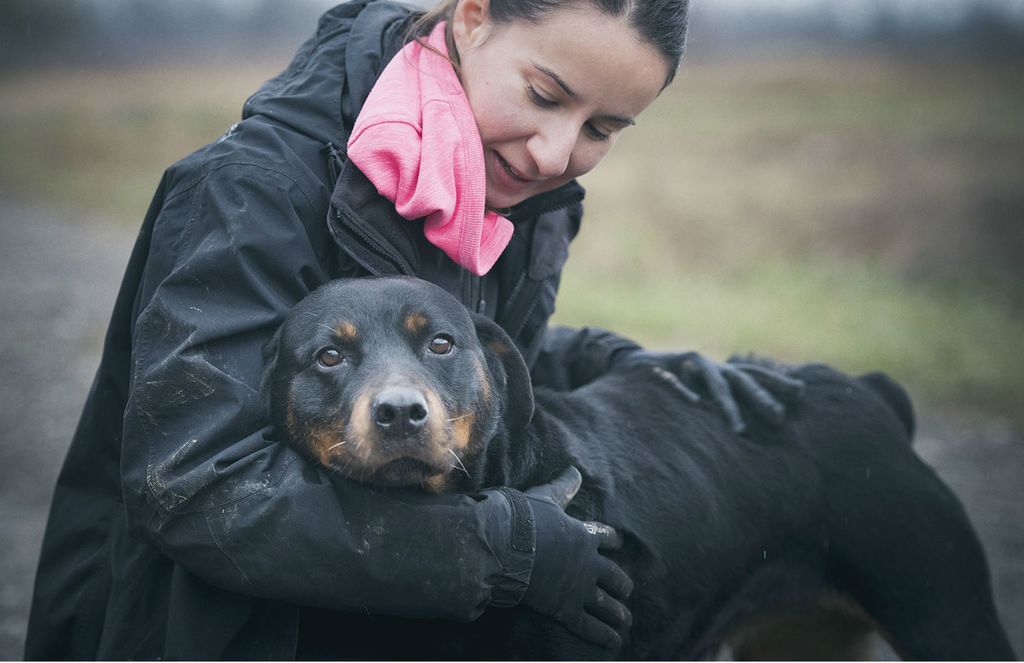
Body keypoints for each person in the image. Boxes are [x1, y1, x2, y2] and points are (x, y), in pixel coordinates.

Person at [25, 0, 800, 659]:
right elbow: (193, 482)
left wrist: (638, 365)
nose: (556, 151)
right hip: (206, 627)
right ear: (472, 17)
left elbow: (484, 361)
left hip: (381, 619)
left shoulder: (522, 198)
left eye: (603, 127)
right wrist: (498, 550)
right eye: (543, 94)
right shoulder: (250, 191)